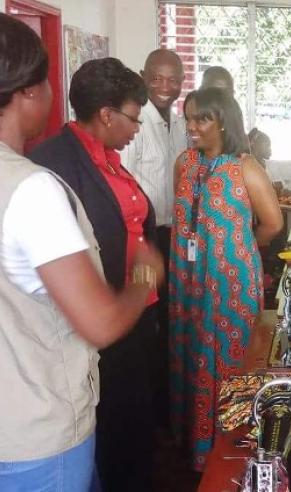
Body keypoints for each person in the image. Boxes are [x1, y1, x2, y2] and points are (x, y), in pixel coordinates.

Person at [0, 14, 163, 489]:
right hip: (39, 423)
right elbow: (99, 323)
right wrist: (145, 277)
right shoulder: (33, 185)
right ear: (29, 91)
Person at [170, 88, 283, 470]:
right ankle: (196, 447)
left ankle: (232, 451)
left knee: (231, 360)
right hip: (189, 281)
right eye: (188, 119)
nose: (192, 127)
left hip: (231, 282)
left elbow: (273, 223)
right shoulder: (184, 163)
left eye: (201, 118)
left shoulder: (244, 167)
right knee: (193, 357)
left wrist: (238, 248)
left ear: (223, 120)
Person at [118, 48, 188, 428]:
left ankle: (169, 400)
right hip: (144, 237)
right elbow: (125, 184)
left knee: (171, 315)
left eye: (174, 79)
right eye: (158, 78)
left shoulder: (177, 123)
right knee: (148, 318)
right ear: (144, 76)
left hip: (173, 232)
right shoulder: (136, 121)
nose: (166, 86)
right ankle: (150, 409)